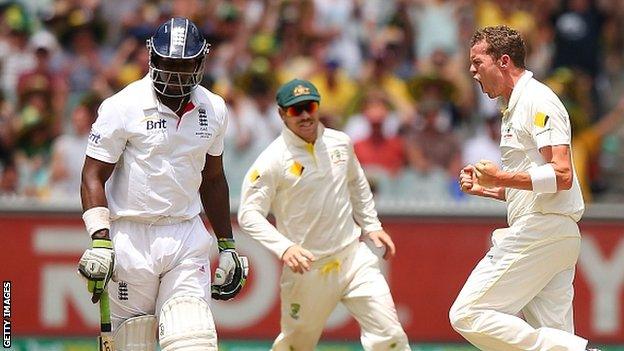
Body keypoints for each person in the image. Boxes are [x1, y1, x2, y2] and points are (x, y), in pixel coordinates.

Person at [76, 17, 248, 351]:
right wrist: (100, 239)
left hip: (185, 234)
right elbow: (92, 175)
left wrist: (227, 245)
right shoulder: (121, 106)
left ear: (200, 62)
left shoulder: (213, 108)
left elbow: (212, 180)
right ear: (152, 58)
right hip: (131, 237)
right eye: (167, 64)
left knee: (193, 339)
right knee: (133, 344)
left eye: (183, 66)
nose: (174, 74)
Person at [449, 25, 598, 351]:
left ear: (503, 61)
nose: (471, 71)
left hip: (540, 230)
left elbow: (562, 175)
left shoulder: (536, 100)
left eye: (477, 62)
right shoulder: (514, 107)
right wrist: (487, 188)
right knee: (555, 337)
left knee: (467, 313)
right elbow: (537, 184)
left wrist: (499, 177)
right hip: (550, 231)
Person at [238, 79, 410, 351]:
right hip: (308, 269)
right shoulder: (272, 160)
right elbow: (249, 214)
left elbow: (357, 183)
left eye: (310, 106)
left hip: (353, 258)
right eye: (296, 110)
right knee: (296, 345)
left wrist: (372, 225)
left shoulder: (340, 143)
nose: (305, 115)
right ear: (282, 114)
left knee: (389, 336)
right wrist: (285, 248)